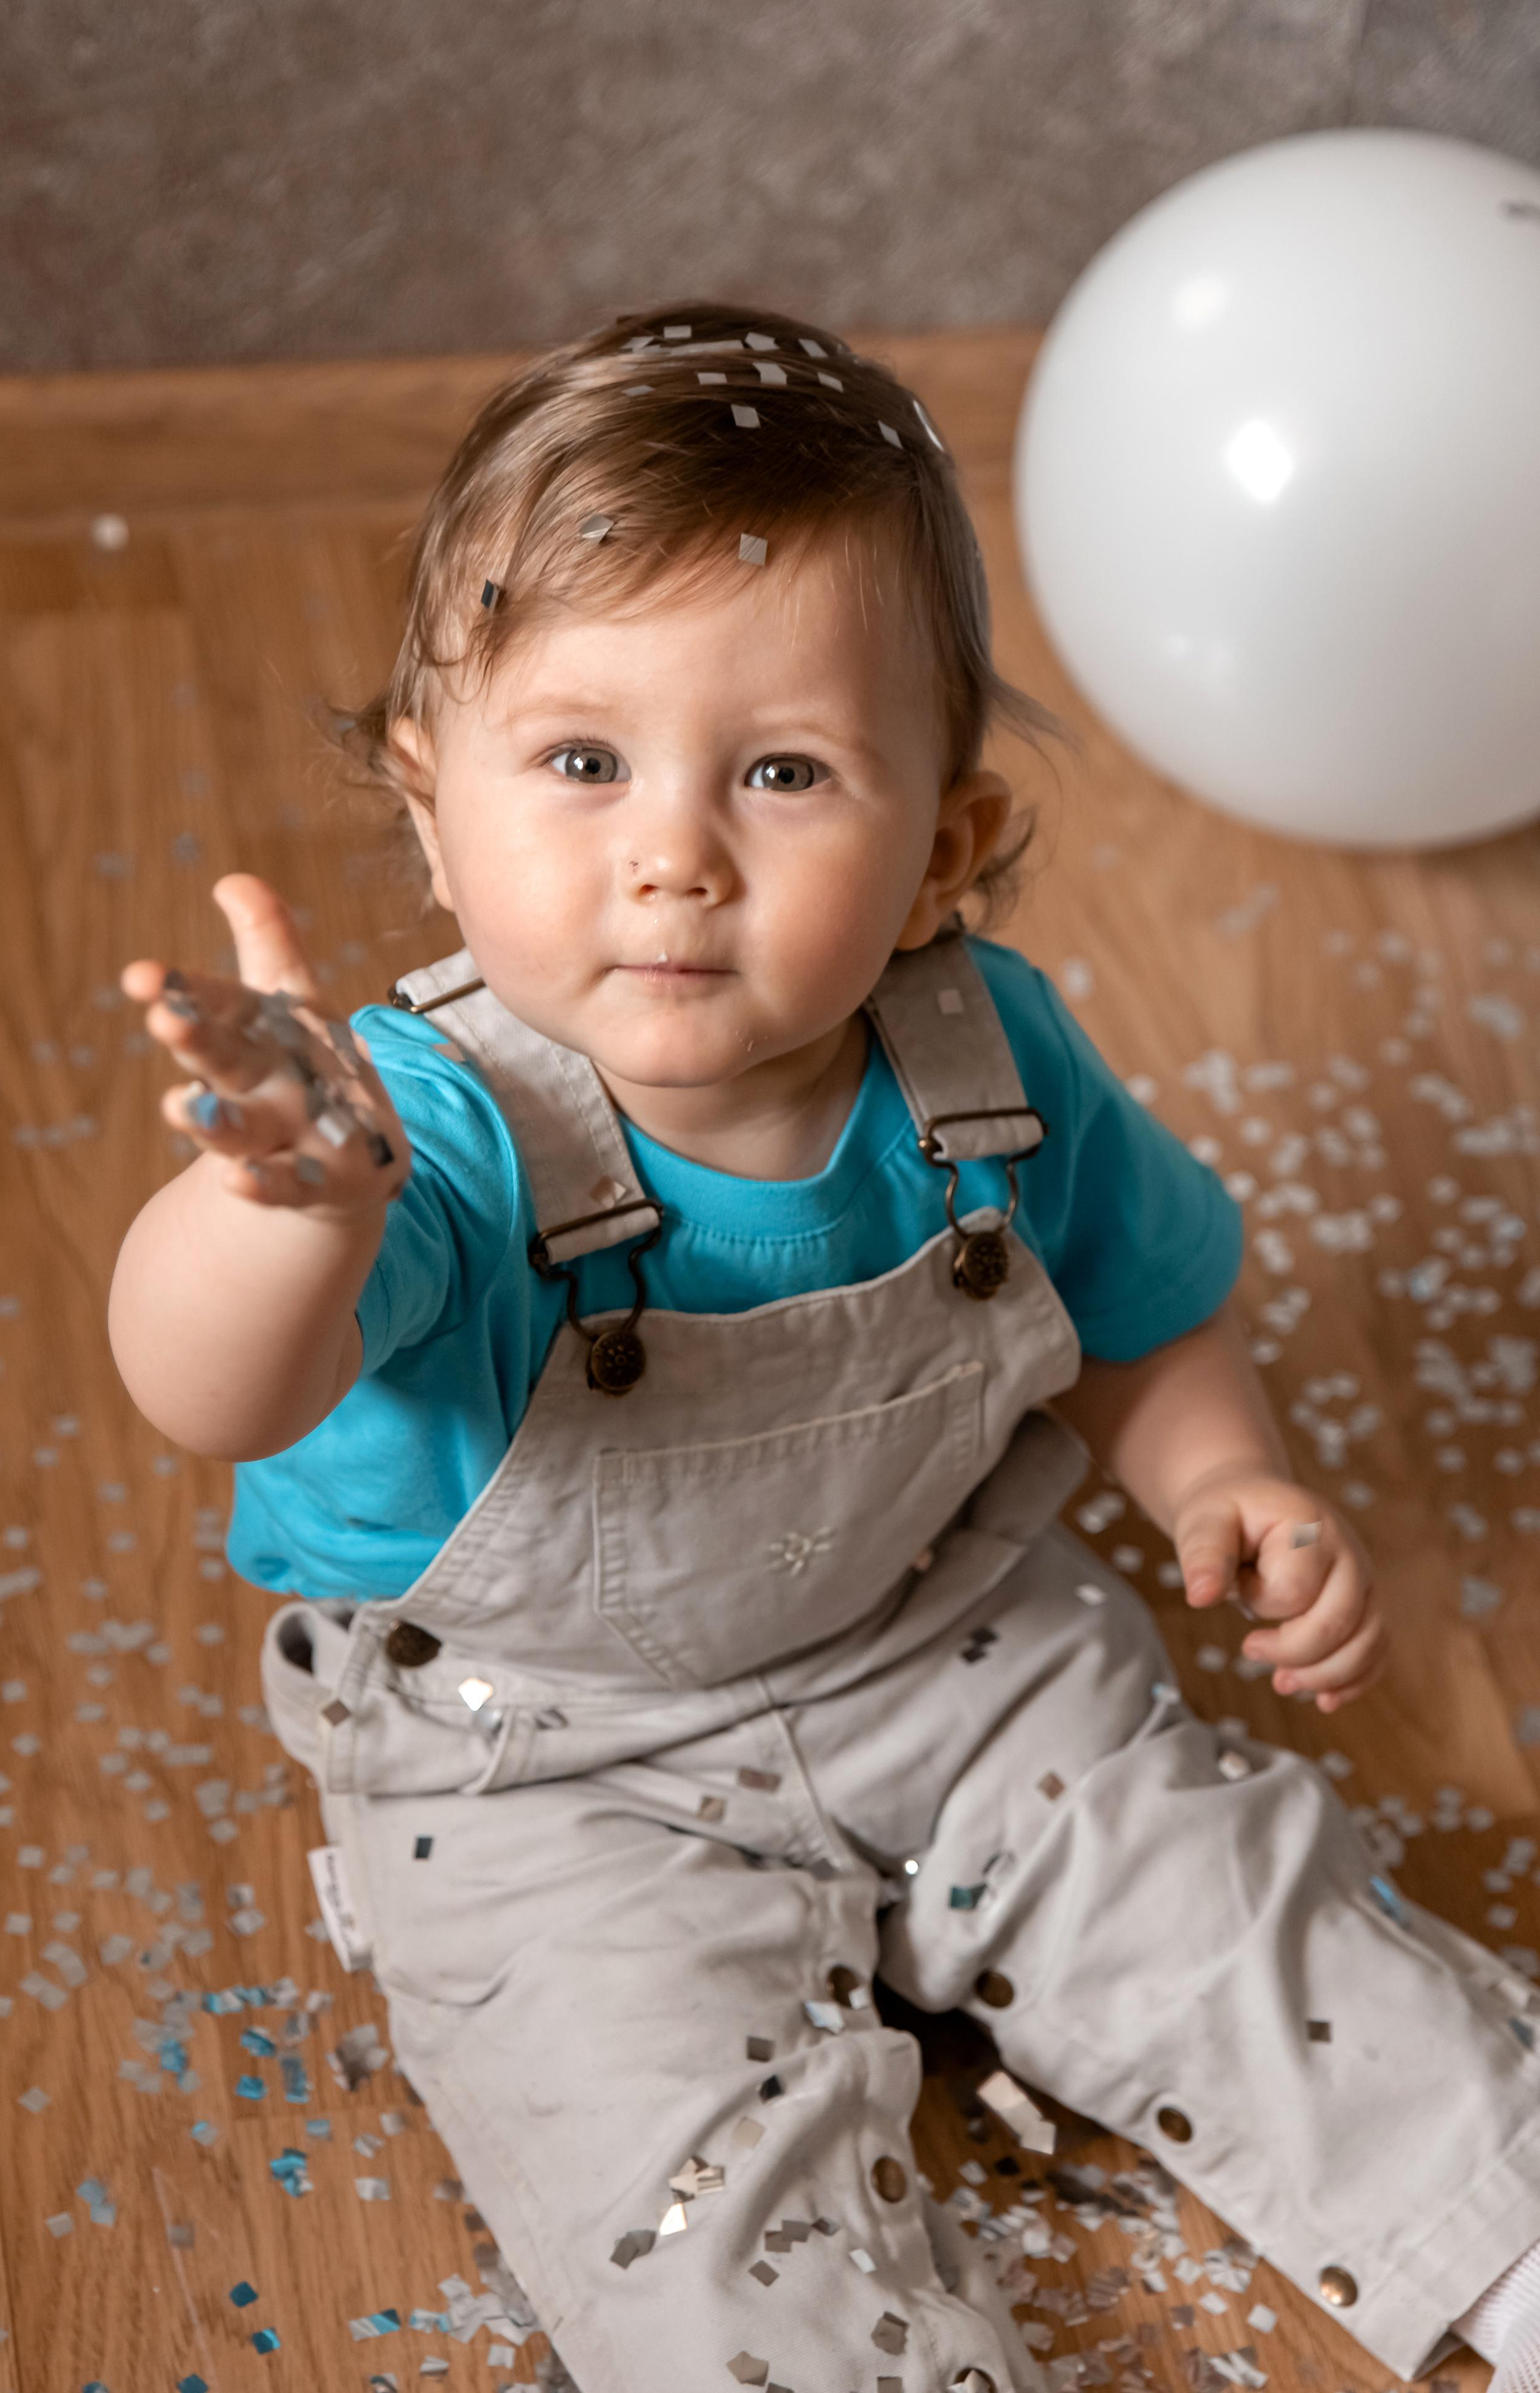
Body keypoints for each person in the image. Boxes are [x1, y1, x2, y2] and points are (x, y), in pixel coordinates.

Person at [108, 303, 1538, 2393]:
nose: (674, 851)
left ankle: (1496, 2220)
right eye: (582, 763)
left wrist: (1219, 1474)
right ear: (433, 811)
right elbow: (208, 1391)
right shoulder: (429, 1130)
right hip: (540, 1768)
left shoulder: (987, 1057)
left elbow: (1137, 1306)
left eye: (781, 772)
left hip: (941, 1642)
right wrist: (278, 1211)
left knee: (1249, 1917)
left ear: (940, 848)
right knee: (696, 2201)